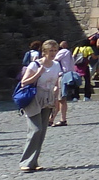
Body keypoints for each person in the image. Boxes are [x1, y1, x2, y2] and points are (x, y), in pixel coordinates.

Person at [17, 40, 64, 172]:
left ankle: (34, 161)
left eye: (55, 51)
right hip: (34, 97)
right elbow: (23, 82)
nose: (53, 53)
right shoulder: (35, 64)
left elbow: (56, 83)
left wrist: (56, 100)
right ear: (44, 52)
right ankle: (25, 162)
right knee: (35, 130)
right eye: (51, 51)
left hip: (48, 98)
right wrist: (38, 73)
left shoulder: (56, 65)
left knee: (42, 132)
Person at [52, 41, 78, 125]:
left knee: (60, 99)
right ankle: (52, 119)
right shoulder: (68, 53)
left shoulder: (63, 52)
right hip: (66, 76)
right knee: (61, 99)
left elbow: (53, 60)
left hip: (62, 76)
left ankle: (60, 119)